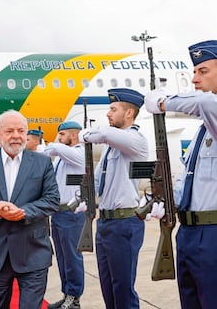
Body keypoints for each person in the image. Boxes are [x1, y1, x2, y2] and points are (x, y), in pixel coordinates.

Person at [144, 40, 217, 309]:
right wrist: (167, 201)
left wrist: (162, 102)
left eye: (203, 71)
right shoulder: (203, 129)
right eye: (194, 71)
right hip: (188, 232)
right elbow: (191, 179)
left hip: (213, 234)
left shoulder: (210, 109)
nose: (195, 78)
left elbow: (206, 102)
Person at [0, 109, 60, 308]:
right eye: (10, 131)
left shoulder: (42, 163)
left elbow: (52, 199)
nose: (16, 136)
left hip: (34, 252)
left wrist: (24, 212)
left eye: (21, 131)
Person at [79, 88, 148, 309]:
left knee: (123, 288)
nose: (108, 113)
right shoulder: (111, 149)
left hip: (125, 223)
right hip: (106, 222)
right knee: (108, 287)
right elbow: (98, 181)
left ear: (129, 113)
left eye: (113, 109)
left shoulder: (135, 140)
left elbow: (106, 134)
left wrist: (86, 134)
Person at [43, 121, 86, 309]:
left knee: (72, 257)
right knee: (62, 257)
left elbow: (51, 148)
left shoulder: (79, 153)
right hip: (59, 213)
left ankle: (74, 298)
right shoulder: (62, 156)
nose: (59, 138)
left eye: (62, 134)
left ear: (74, 135)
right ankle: (67, 294)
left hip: (72, 214)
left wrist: (53, 144)